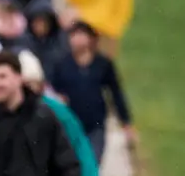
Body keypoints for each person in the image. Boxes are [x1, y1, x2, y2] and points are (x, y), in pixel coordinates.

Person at [47, 20, 134, 166]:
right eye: (74, 35)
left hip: (95, 124)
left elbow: (115, 93)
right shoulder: (61, 64)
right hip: (69, 123)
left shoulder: (103, 64)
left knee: (92, 163)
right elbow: (53, 91)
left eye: (82, 35)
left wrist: (125, 122)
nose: (77, 39)